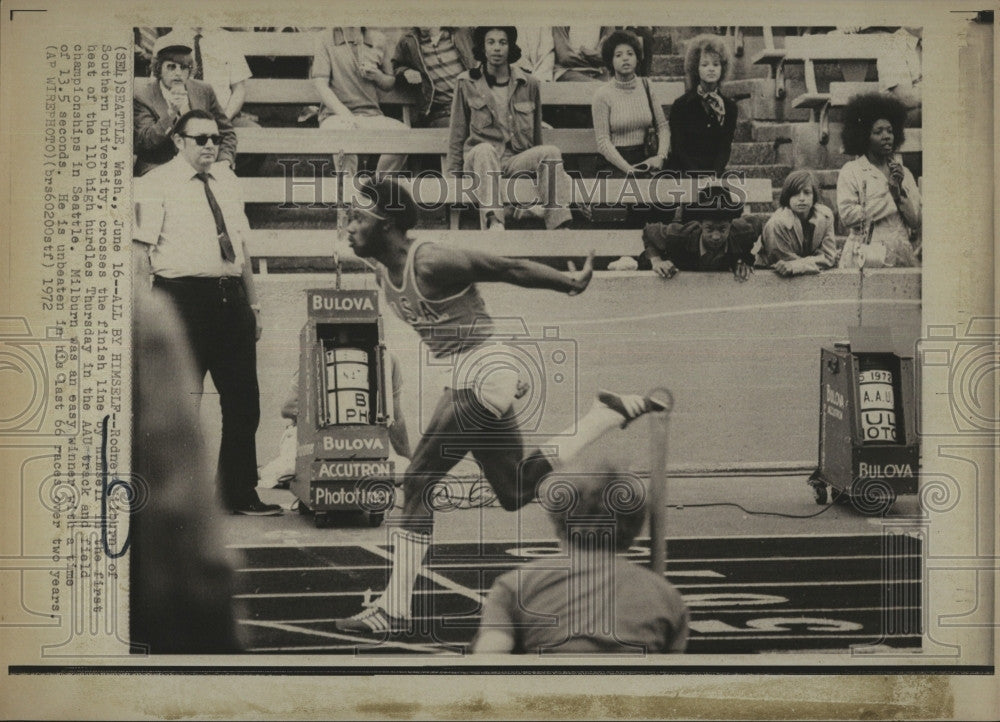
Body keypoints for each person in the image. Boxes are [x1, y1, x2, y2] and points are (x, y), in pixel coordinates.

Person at [333, 178, 670, 634]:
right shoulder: (381, 270)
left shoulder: (429, 259)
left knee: (418, 478)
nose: (348, 226)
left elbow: (507, 267)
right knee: (513, 491)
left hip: (484, 368)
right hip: (471, 372)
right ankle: (606, 414)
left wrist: (568, 283)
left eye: (358, 218)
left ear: (388, 224)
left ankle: (394, 609)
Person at [133, 109, 280, 516]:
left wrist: (252, 304)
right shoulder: (151, 184)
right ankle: (174, 501)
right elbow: (140, 255)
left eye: (215, 138)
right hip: (179, 299)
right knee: (179, 405)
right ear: (178, 141)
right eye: (201, 139)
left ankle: (237, 492)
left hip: (229, 298)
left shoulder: (229, 182)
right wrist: (144, 316)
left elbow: (242, 248)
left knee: (243, 401)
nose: (211, 146)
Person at [473, 463, 689, 654]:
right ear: (633, 530)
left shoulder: (516, 586)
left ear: (558, 522)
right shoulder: (667, 598)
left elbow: (490, 657)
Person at [447, 26, 574, 231]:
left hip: (514, 160)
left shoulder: (529, 83)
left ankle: (559, 227)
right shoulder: (466, 82)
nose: (497, 48)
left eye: (502, 42)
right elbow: (457, 133)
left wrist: (548, 174)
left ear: (510, 47)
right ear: (483, 48)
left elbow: (536, 137)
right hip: (480, 162)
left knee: (550, 152)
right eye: (491, 42)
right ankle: (495, 222)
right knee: (484, 149)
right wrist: (452, 178)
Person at [134, 31, 237, 177]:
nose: (178, 73)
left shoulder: (203, 90)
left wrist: (224, 162)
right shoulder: (143, 96)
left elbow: (226, 133)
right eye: (171, 67)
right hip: (158, 167)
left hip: (198, 166)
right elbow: (146, 142)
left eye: (183, 68)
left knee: (225, 181)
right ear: (158, 69)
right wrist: (171, 114)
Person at [836, 93, 921, 268]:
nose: (886, 136)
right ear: (864, 136)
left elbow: (916, 221)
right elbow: (848, 216)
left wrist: (899, 195)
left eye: (890, 131)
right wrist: (888, 195)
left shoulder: (904, 173)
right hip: (867, 256)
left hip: (901, 254)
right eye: (878, 132)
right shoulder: (851, 171)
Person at [311, 27, 408, 179]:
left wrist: (377, 76)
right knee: (343, 134)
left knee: (404, 135)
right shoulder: (325, 38)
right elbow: (320, 84)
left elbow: (389, 82)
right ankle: (349, 197)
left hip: (371, 115)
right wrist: (344, 113)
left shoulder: (378, 39)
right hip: (335, 116)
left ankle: (377, 189)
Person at [641, 185, 764, 281]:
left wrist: (744, 260)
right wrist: (656, 261)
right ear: (700, 225)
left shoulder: (745, 232)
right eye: (709, 229)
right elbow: (648, 231)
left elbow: (757, 223)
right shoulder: (679, 235)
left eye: (722, 229)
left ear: (731, 224)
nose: (716, 237)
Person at [591, 30, 669, 176]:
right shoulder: (602, 95)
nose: (625, 59)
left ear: (637, 58)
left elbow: (663, 126)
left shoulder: (647, 86)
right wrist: (628, 169)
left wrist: (660, 156)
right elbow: (603, 142)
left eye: (630, 54)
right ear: (611, 61)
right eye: (618, 55)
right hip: (614, 163)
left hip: (645, 157)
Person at [664, 34, 738, 177]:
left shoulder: (729, 107)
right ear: (695, 68)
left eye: (716, 64)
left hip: (713, 174)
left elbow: (725, 148)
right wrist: (698, 175)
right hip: (683, 173)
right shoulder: (681, 105)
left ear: (723, 68)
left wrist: (714, 174)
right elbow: (678, 148)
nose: (711, 69)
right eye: (705, 64)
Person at [392, 27, 476, 128]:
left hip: (473, 104)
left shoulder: (462, 32)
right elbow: (396, 67)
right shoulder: (409, 40)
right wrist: (406, 71)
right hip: (443, 112)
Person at [760, 170, 838, 276]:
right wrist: (814, 262)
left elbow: (829, 257)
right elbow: (783, 264)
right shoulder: (776, 224)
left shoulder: (825, 216)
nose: (801, 198)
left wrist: (798, 265)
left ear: (814, 195)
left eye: (807, 192)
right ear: (787, 197)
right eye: (795, 193)